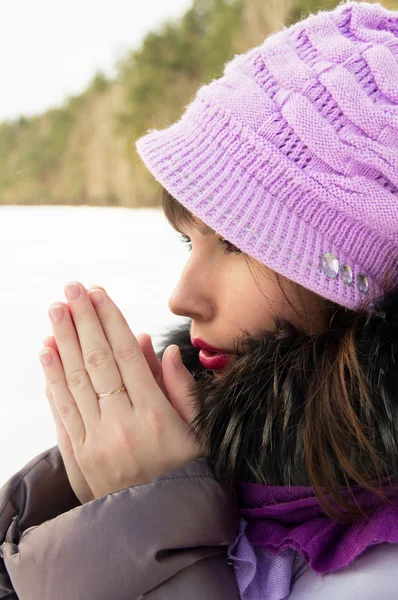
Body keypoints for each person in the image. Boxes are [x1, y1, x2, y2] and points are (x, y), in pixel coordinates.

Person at [1, 1, 398, 598]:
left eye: (237, 243)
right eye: (188, 240)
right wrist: (82, 497)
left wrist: (154, 538)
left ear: (362, 276)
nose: (183, 297)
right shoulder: (224, 461)